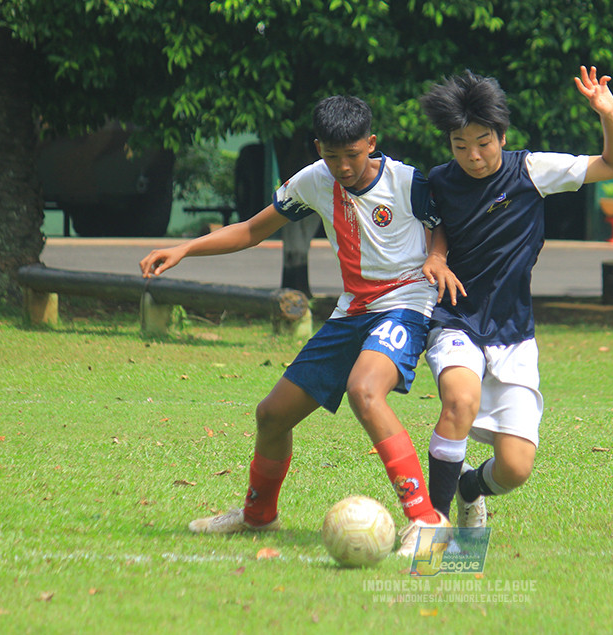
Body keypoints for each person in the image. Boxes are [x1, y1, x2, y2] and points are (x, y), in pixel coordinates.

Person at [140, 95, 461, 556]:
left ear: (371, 143)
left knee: (365, 391)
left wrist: (436, 255)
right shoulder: (312, 181)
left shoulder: (407, 181)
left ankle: (425, 520)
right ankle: (258, 516)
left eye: (353, 154)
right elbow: (252, 230)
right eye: (332, 156)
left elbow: (442, 223)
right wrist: (185, 249)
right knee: (271, 415)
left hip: (405, 304)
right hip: (351, 312)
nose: (344, 167)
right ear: (318, 149)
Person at [419, 66, 613, 526]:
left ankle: (470, 486)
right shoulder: (437, 181)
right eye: (460, 146)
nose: (472, 156)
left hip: (513, 332)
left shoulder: (532, 170)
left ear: (502, 134)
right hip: (455, 318)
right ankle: (429, 526)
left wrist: (609, 115)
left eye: (483, 143)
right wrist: (436, 258)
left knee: (515, 468)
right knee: (459, 399)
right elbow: (436, 229)